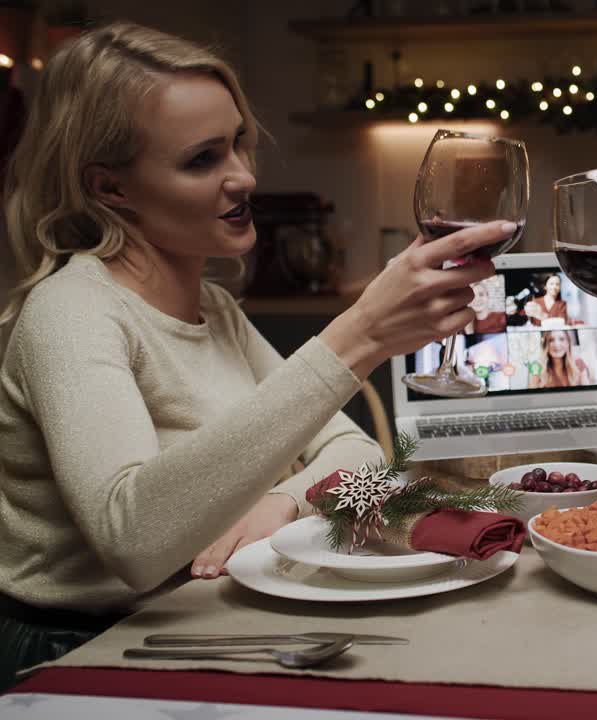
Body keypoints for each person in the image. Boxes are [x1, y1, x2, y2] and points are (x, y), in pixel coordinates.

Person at [0, 22, 508, 688]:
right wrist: (356, 336)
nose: (244, 176)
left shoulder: (217, 311)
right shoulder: (71, 312)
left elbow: (359, 456)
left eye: (239, 142)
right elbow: (134, 538)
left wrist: (280, 505)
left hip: (200, 622)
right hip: (79, 654)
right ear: (110, 188)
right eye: (202, 159)